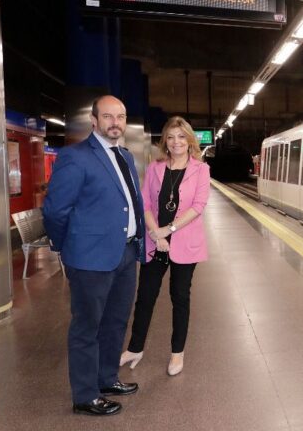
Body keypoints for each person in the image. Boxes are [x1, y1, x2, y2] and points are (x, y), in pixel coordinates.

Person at [43, 95, 144, 416]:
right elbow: (56, 211)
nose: (116, 122)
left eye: (121, 116)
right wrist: (65, 247)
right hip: (89, 259)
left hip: (126, 253)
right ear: (95, 120)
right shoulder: (75, 157)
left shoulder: (125, 157)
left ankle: (106, 378)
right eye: (109, 116)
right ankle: (85, 395)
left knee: (115, 322)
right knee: (87, 326)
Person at [119, 116, 210, 376]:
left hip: (184, 243)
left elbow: (198, 206)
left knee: (179, 297)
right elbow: (145, 202)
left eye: (181, 136)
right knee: (145, 296)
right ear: (165, 142)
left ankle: (177, 354)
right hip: (155, 242)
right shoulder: (156, 168)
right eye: (171, 137)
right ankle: (135, 348)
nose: (176, 142)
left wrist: (167, 231)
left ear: (190, 140)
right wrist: (155, 234)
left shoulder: (201, 169)